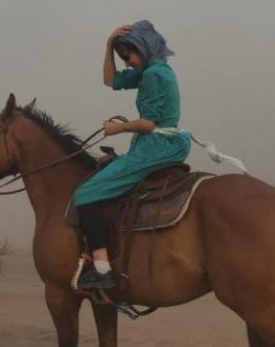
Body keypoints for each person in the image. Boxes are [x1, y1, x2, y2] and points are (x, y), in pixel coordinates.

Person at [73, 21, 191, 290]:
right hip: (164, 144)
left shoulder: (152, 76)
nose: (127, 62)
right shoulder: (151, 70)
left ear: (144, 47)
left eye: (129, 56)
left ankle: (102, 268)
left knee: (85, 195)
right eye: (123, 58)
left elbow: (148, 123)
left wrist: (118, 128)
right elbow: (110, 80)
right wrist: (108, 46)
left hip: (155, 147)